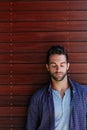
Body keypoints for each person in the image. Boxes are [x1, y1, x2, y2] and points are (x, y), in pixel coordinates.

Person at [26, 45, 87, 130]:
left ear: (68, 66)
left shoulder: (84, 93)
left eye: (62, 65)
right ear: (47, 67)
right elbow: (30, 127)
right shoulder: (38, 97)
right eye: (54, 65)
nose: (58, 69)